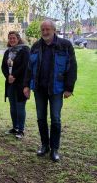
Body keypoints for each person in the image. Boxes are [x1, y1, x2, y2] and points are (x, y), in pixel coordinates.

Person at [23, 20, 77, 162]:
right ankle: (45, 145)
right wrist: (26, 85)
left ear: (54, 30)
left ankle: (55, 149)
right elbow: (29, 68)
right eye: (43, 30)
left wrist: (69, 88)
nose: (45, 32)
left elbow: (72, 67)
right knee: (41, 118)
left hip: (57, 89)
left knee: (55, 119)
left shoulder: (65, 46)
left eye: (47, 29)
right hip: (39, 89)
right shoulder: (35, 46)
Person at [1, 31, 30, 139]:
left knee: (20, 106)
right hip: (10, 83)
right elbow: (3, 67)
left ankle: (21, 130)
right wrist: (7, 76)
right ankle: (15, 127)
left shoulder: (25, 50)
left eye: (13, 38)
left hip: (21, 83)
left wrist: (14, 76)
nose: (12, 40)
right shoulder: (8, 52)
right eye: (10, 38)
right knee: (12, 106)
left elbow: (25, 66)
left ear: (18, 39)